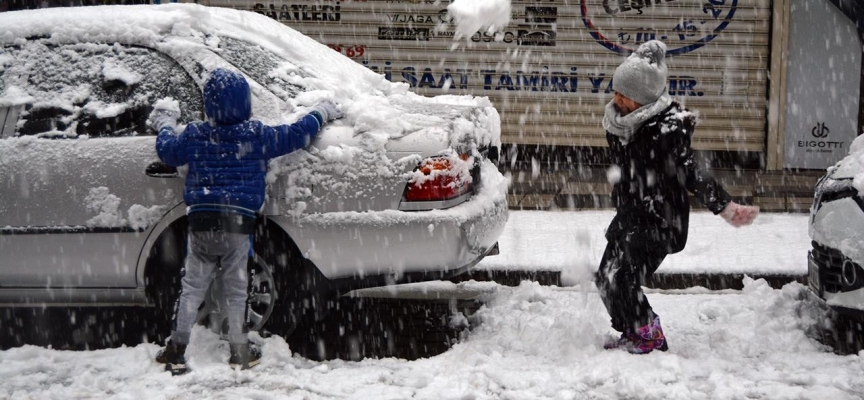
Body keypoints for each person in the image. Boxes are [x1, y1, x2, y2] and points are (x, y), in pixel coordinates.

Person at [149, 68, 343, 373]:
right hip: (238, 225)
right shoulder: (256, 135)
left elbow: (168, 151)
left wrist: (165, 123)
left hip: (201, 221)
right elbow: (297, 135)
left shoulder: (195, 134)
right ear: (245, 103)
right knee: (237, 288)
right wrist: (321, 112)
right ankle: (239, 350)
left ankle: (176, 347)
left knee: (192, 287)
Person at [595, 40, 759, 354]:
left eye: (624, 95)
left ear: (644, 100)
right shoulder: (622, 123)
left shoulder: (665, 133)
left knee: (620, 277)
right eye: (615, 92)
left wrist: (724, 206)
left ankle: (649, 334)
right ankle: (633, 330)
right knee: (606, 277)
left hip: (660, 220)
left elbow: (692, 171)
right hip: (632, 215)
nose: (616, 100)